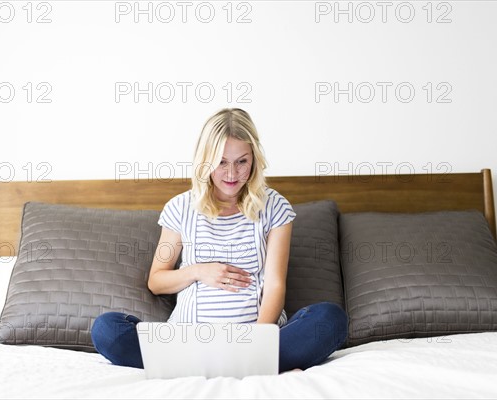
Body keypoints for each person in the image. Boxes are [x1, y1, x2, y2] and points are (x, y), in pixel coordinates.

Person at [91, 108, 348, 372]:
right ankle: (246, 367)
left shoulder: (274, 207)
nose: (232, 174)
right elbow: (156, 281)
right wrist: (199, 271)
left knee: (330, 319)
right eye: (221, 162)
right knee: (107, 328)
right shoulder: (181, 207)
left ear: (254, 160)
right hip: (188, 342)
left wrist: (255, 343)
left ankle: (241, 364)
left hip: (255, 339)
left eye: (242, 162)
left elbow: (274, 286)